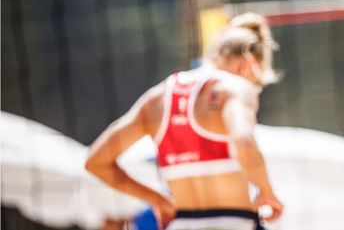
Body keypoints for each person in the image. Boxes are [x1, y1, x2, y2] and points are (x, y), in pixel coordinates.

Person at [86, 17, 283, 230]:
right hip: (234, 222)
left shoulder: (157, 98)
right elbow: (243, 141)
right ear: (248, 65)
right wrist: (266, 191)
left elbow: (96, 162)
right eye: (257, 82)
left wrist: (156, 199)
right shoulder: (235, 87)